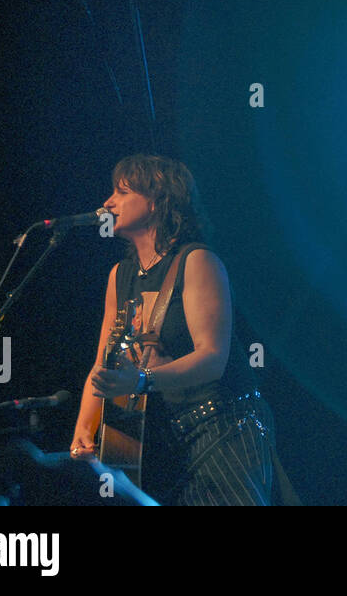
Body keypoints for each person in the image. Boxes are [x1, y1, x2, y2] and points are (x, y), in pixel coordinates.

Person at [70, 154, 277, 505]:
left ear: (155, 201)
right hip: (163, 439)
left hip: (222, 427)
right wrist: (84, 430)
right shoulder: (119, 276)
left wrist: (139, 380)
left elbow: (212, 358)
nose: (107, 202)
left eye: (121, 192)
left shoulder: (197, 260)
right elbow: (101, 365)